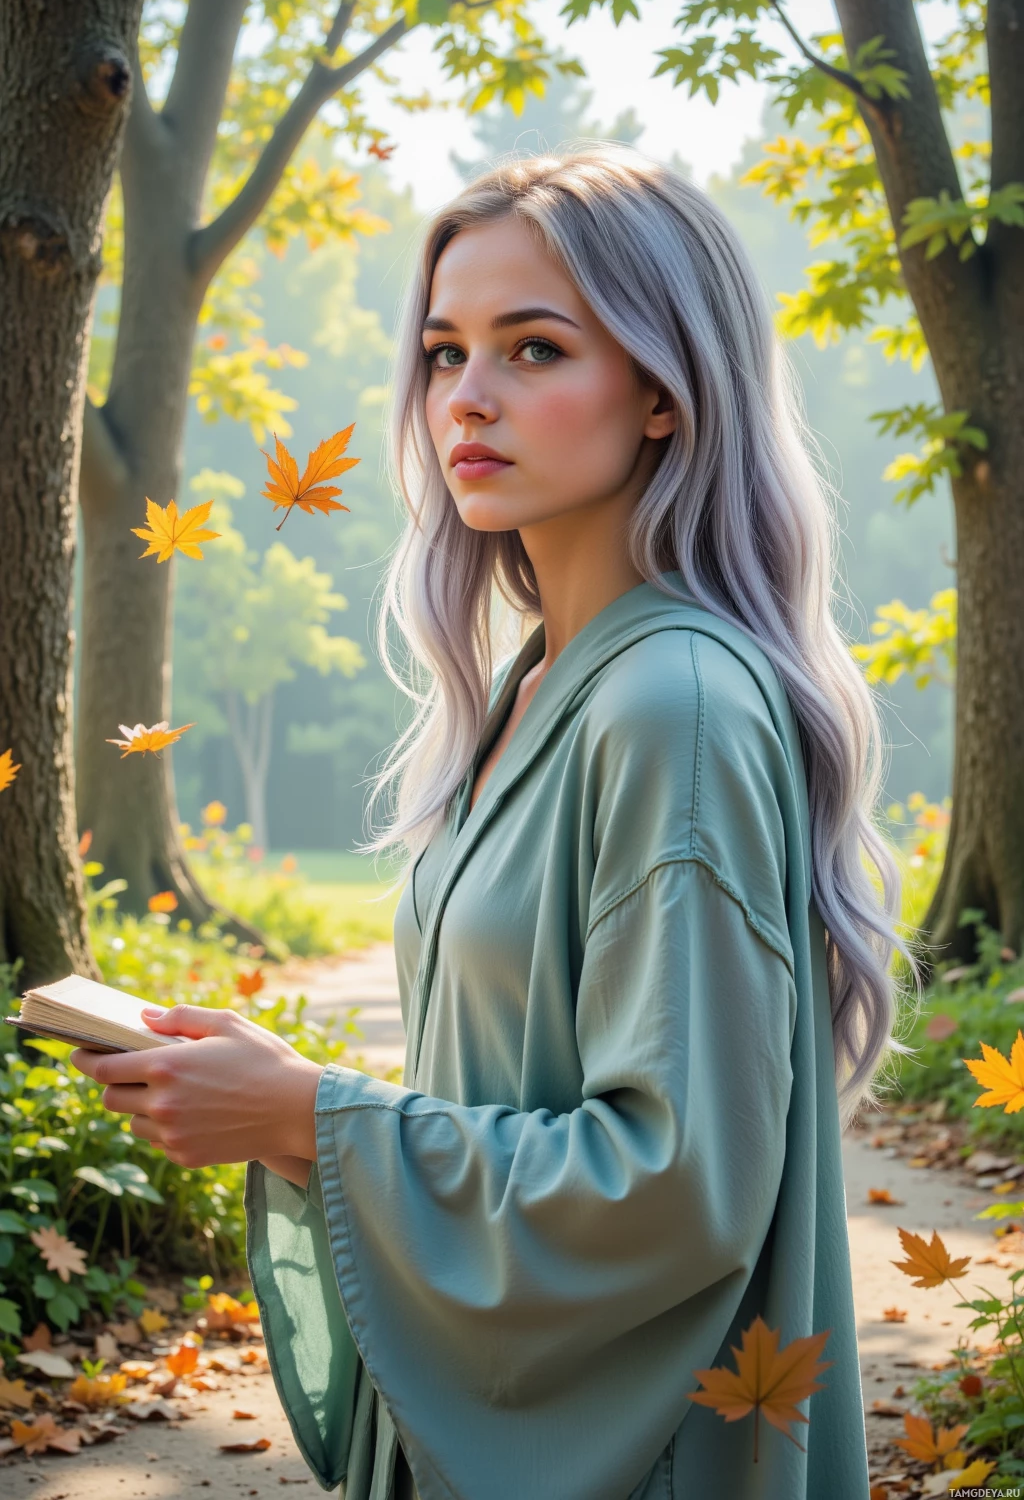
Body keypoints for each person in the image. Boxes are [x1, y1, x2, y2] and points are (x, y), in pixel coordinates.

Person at [72, 145, 923, 1500]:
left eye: (534, 349)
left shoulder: (675, 704)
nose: (467, 397)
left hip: (639, 1449)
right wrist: (287, 1102)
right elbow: (512, 1088)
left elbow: (676, 1185)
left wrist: (312, 1116)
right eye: (443, 352)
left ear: (665, 390)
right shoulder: (537, 687)